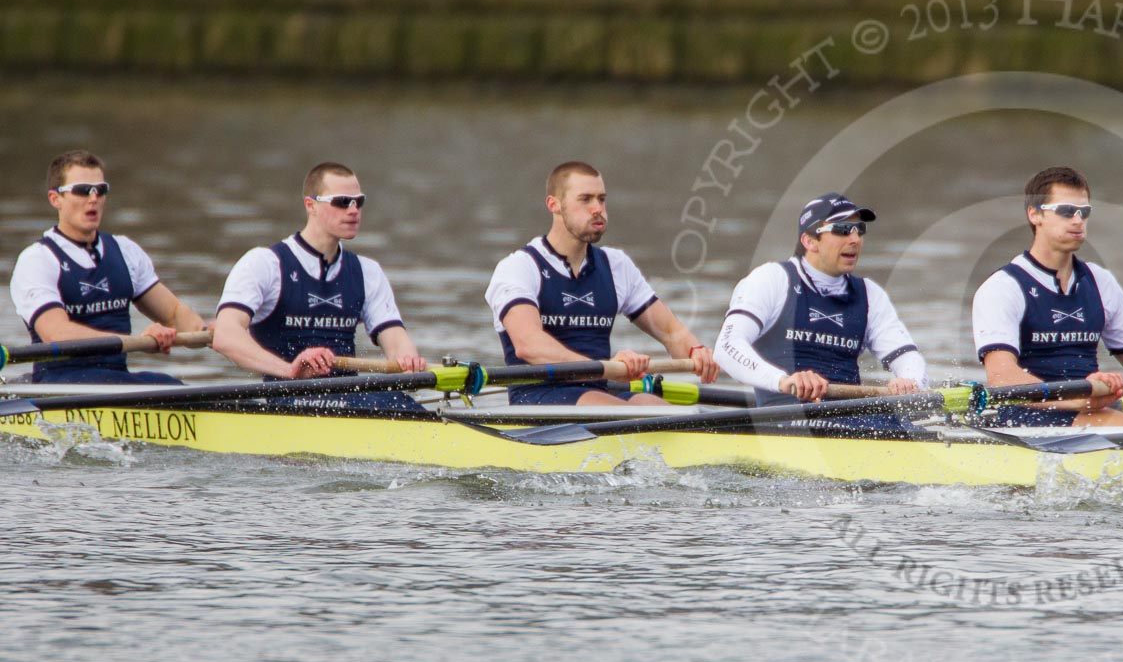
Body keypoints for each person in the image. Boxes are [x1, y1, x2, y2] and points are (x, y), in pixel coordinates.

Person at [971, 166, 1123, 426]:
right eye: (1066, 211)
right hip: (1027, 418)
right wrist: (1077, 398)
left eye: (1084, 212)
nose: (1078, 220)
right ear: (1035, 214)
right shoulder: (1003, 288)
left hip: (1092, 410)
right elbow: (1002, 377)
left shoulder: (1100, 282)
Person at [484, 161, 717, 406]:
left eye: (602, 199)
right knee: (622, 411)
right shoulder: (520, 267)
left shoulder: (616, 265)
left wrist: (696, 350)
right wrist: (607, 369)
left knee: (656, 407)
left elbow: (671, 332)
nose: (597, 209)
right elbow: (528, 345)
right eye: (585, 199)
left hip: (599, 393)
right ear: (554, 205)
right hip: (537, 400)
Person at [212, 162, 429, 411]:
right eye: (342, 201)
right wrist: (290, 371)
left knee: (402, 404)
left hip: (351, 400)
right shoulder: (265, 264)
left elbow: (396, 340)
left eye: (359, 201)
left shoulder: (367, 272)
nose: (353, 210)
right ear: (310, 205)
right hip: (287, 399)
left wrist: (408, 359)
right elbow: (226, 336)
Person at [716, 193, 927, 429]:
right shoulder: (772, 279)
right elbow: (727, 347)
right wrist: (783, 381)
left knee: (905, 426)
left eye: (859, 229)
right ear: (810, 241)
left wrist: (909, 381)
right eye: (843, 229)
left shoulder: (870, 294)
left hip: (853, 419)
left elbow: (908, 357)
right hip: (784, 418)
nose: (855, 238)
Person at [11, 150, 206, 384]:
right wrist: (138, 340)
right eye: (83, 190)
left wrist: (205, 331)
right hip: (61, 385)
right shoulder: (38, 259)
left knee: (173, 386)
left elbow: (173, 314)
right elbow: (57, 333)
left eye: (100, 190)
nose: (93, 198)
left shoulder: (125, 251)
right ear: (55, 199)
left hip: (116, 380)